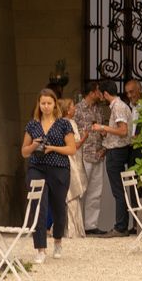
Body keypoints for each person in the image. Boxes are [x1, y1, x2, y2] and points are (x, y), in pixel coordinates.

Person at [21, 88, 76, 263]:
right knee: (39, 206)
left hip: (59, 168)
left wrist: (52, 148)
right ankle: (40, 249)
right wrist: (34, 145)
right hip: (37, 168)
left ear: (55, 105)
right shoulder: (32, 125)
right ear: (39, 104)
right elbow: (24, 152)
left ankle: (58, 240)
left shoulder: (63, 124)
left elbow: (72, 149)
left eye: (49, 103)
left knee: (58, 206)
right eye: (42, 103)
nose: (45, 106)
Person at [87, 80, 133, 237]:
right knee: (120, 190)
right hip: (117, 150)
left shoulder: (118, 106)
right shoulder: (120, 106)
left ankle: (120, 227)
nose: (99, 95)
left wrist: (103, 127)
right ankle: (122, 225)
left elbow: (123, 131)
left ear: (105, 93)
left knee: (118, 191)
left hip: (117, 152)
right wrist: (106, 133)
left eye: (100, 92)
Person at [70, 80, 109, 234]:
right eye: (98, 91)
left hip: (98, 154)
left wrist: (104, 148)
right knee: (80, 191)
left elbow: (103, 131)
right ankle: (77, 224)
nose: (100, 94)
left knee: (96, 192)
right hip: (83, 155)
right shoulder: (77, 109)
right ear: (92, 92)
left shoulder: (99, 110)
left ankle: (91, 225)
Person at [57, 97, 87, 239]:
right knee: (72, 194)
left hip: (73, 161)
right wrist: (85, 137)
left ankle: (73, 228)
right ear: (67, 110)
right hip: (70, 161)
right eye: (73, 106)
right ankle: (72, 229)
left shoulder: (65, 123)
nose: (75, 108)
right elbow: (74, 146)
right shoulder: (68, 123)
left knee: (71, 195)